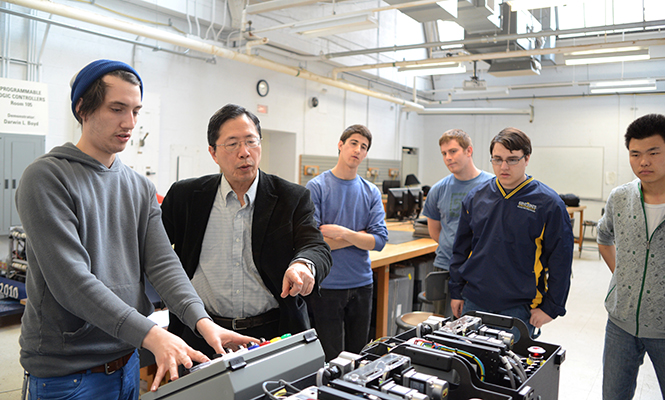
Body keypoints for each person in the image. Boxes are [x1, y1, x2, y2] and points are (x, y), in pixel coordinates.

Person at [15, 60, 255, 399]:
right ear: (82, 108)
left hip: (126, 361)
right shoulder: (47, 178)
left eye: (136, 111)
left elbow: (162, 264)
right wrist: (151, 334)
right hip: (68, 376)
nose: (129, 123)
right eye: (117, 109)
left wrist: (203, 322)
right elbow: (71, 281)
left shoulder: (139, 187)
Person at [161, 104, 332, 358]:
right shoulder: (185, 197)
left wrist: (303, 265)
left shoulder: (291, 197)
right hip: (201, 333)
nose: (244, 153)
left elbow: (316, 246)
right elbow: (155, 251)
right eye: (232, 144)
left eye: (251, 142)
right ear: (213, 152)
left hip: (272, 333)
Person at [449, 127, 573, 339]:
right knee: (470, 367)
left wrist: (551, 307)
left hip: (519, 309)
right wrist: (456, 292)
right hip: (474, 301)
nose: (503, 166)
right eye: (497, 159)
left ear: (527, 158)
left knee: (510, 370)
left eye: (512, 159)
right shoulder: (475, 197)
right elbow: (461, 250)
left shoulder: (548, 204)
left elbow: (561, 261)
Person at [305, 125, 388, 361]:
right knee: (332, 358)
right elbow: (314, 241)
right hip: (327, 286)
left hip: (362, 284)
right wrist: (360, 237)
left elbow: (379, 240)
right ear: (340, 145)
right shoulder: (317, 187)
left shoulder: (371, 191)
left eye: (364, 147)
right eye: (353, 143)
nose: (358, 150)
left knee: (359, 356)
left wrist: (342, 233)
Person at [597, 113, 665, 400]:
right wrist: (623, 276)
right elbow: (603, 237)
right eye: (635, 154)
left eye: (653, 152)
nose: (643, 161)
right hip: (620, 322)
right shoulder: (620, 197)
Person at [422, 129, 493, 271]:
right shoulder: (438, 189)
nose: (448, 157)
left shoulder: (493, 186)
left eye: (453, 151)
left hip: (483, 267)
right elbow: (435, 231)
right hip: (446, 265)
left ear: (469, 151)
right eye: (444, 153)